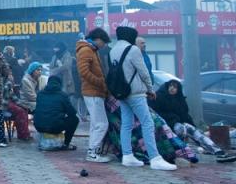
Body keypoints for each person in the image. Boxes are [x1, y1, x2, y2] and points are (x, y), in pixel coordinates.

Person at [110, 26, 177, 170]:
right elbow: (144, 72)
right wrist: (150, 89)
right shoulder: (133, 50)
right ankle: (155, 158)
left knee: (126, 124)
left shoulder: (113, 50)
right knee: (148, 123)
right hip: (135, 93)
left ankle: (127, 156)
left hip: (121, 93)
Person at [152, 79, 236, 162]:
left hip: (177, 124)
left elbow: (185, 116)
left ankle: (219, 152)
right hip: (163, 125)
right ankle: (180, 154)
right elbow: (155, 114)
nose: (172, 88)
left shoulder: (179, 100)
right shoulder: (159, 97)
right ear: (167, 86)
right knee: (181, 128)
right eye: (170, 86)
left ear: (178, 89)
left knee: (195, 132)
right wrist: (173, 118)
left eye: (175, 87)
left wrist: (194, 126)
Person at [76, 27, 113, 162]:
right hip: (93, 92)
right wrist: (101, 82)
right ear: (98, 39)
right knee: (102, 124)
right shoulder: (86, 50)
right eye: (103, 42)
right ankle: (92, 153)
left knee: (95, 124)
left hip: (94, 92)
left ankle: (93, 151)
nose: (104, 46)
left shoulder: (91, 50)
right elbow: (84, 72)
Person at [33, 75, 79, 149]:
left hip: (39, 126)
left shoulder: (40, 94)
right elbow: (72, 113)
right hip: (55, 127)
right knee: (75, 120)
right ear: (60, 84)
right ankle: (66, 144)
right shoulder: (62, 95)